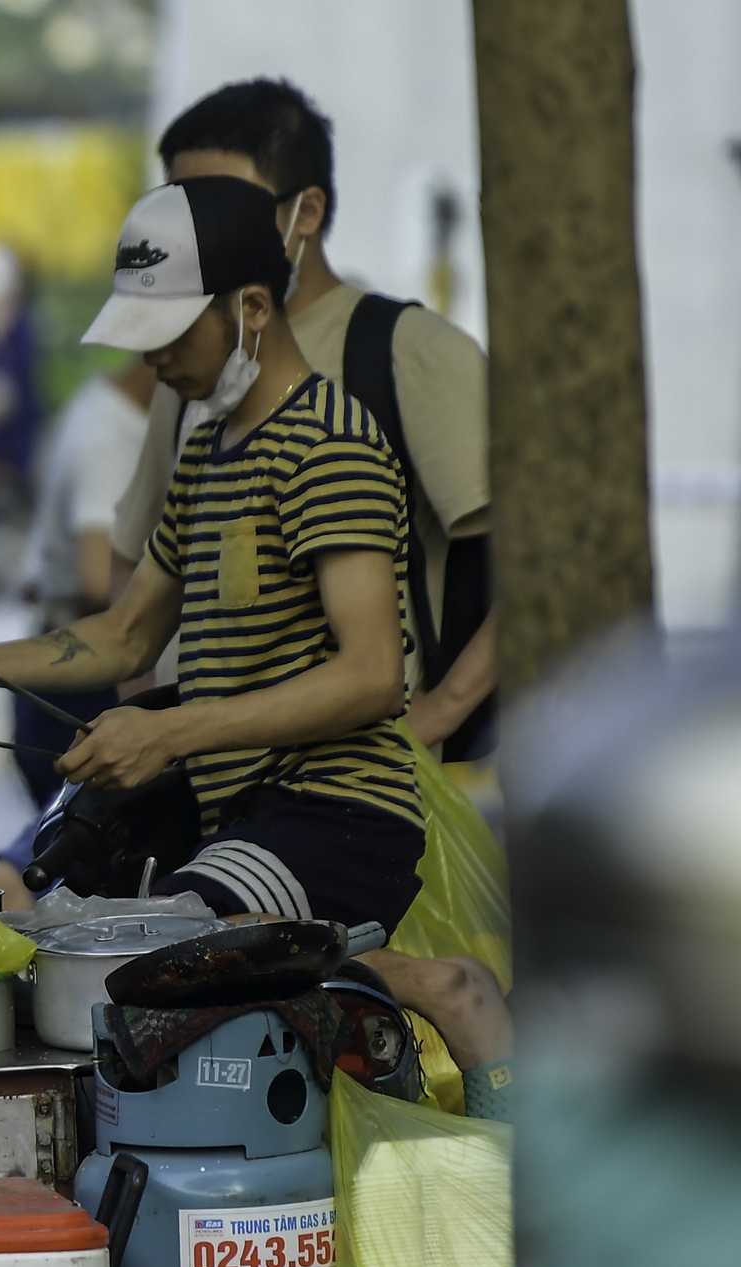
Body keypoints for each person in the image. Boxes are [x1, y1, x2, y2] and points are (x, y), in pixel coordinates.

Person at [0, 176, 512, 1116]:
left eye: (174, 334)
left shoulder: (330, 446)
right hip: (248, 815)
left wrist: (173, 735)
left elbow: (372, 675)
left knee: (156, 959)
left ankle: (437, 991)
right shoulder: (209, 449)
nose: (158, 360)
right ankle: (383, 1014)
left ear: (253, 307)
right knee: (88, 934)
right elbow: (128, 631)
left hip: (339, 813)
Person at [111, 79, 497, 759]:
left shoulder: (409, 353)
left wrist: (435, 716)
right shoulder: (193, 360)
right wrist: (139, 720)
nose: (198, 233)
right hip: (198, 785)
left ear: (307, 211)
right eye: (184, 210)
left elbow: (532, 560)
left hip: (343, 807)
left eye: (226, 207)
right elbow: (135, 565)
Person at [0, 361, 155, 906]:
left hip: (80, 667)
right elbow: (98, 580)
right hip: (82, 684)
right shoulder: (110, 437)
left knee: (65, 865)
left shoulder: (102, 411)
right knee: (62, 866)